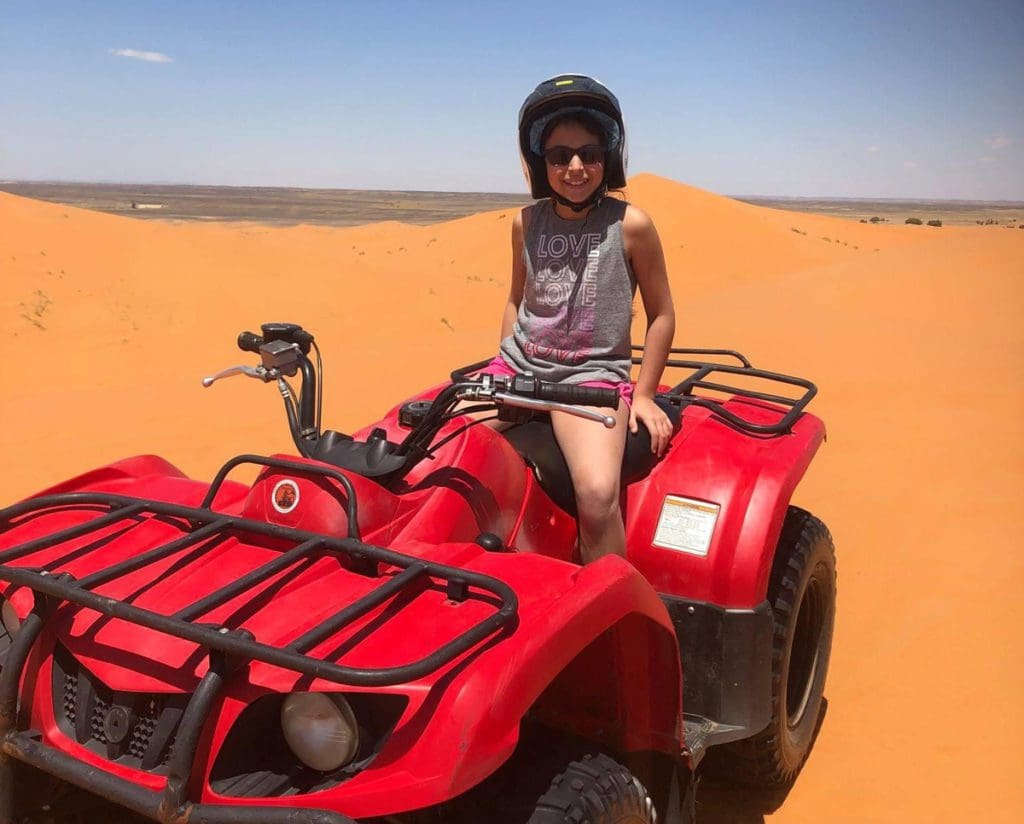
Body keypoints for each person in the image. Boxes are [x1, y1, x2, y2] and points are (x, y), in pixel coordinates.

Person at [482, 74, 676, 564]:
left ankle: (610, 612)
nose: (575, 166)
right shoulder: (525, 222)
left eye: (589, 153)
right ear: (539, 163)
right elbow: (515, 300)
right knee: (440, 452)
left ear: (607, 158)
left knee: (595, 495)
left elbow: (662, 315)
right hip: (522, 371)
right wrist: (504, 367)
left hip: (588, 379)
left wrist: (646, 394)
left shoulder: (630, 224)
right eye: (559, 155)